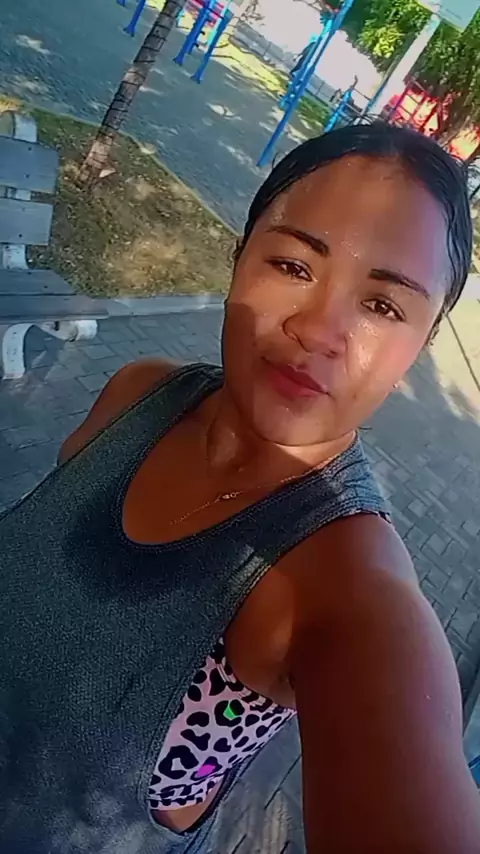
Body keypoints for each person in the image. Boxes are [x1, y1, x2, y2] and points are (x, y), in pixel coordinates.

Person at [1, 122, 479, 854]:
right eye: (293, 263)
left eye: (383, 306)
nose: (318, 329)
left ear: (422, 343)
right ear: (239, 256)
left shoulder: (343, 587)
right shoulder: (138, 394)